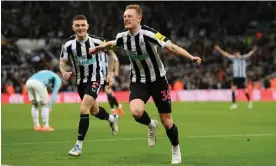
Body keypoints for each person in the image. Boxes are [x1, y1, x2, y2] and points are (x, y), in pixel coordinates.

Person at [89, 4, 201, 164]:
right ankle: (151, 125)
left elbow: (171, 46)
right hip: (138, 81)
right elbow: (113, 43)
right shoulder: (122, 37)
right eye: (125, 16)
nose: (126, 18)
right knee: (136, 112)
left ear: (139, 18)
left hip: (158, 81)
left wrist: (191, 57)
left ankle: (175, 148)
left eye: (130, 16)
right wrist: (100, 47)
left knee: (167, 120)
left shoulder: (149, 34)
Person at [59, 15, 119, 157]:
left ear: (87, 26)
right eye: (77, 25)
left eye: (83, 25)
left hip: (96, 78)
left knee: (83, 109)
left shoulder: (97, 41)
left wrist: (110, 74)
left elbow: (111, 53)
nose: (80, 28)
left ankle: (78, 146)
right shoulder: (68, 45)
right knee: (94, 111)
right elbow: (62, 62)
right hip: (80, 81)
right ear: (73, 27)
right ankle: (112, 119)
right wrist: (63, 71)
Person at [215, 45, 258, 109]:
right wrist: (219, 49)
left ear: (239, 54)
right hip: (235, 77)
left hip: (242, 77)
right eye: (235, 54)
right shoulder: (233, 58)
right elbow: (226, 54)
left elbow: (249, 54)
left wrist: (253, 50)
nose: (236, 55)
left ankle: (249, 102)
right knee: (233, 90)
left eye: (237, 54)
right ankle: (234, 104)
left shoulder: (243, 58)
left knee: (245, 90)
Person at [99, 51, 124, 116]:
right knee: (109, 93)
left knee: (108, 91)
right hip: (100, 76)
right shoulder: (96, 52)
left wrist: (116, 71)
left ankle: (113, 110)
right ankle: (118, 106)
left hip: (109, 76)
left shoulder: (110, 52)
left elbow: (116, 61)